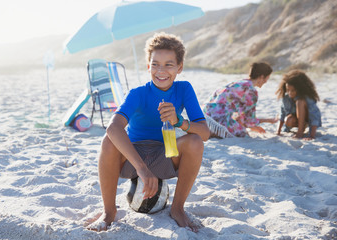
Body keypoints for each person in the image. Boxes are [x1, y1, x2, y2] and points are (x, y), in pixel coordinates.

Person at [86, 32, 210, 232]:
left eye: (169, 64)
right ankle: (109, 211)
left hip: (165, 156)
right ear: (148, 66)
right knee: (108, 140)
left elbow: (204, 133)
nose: (161, 70)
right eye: (155, 64)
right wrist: (142, 169)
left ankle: (177, 208)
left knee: (195, 141)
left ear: (179, 67)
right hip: (133, 160)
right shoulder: (138, 93)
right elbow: (113, 127)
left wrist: (179, 122)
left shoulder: (184, 89)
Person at [203, 62, 278, 138]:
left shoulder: (239, 82)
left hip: (206, 113)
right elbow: (249, 120)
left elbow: (241, 115)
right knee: (242, 134)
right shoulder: (251, 90)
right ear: (262, 77)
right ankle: (214, 132)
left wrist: (252, 127)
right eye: (267, 78)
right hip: (218, 117)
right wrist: (269, 120)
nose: (266, 81)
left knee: (241, 128)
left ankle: (211, 130)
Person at [275, 70, 321, 140]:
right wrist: (278, 131)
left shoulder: (307, 98)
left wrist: (312, 136)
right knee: (288, 120)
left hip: (308, 119)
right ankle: (301, 127)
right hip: (296, 120)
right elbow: (282, 114)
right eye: (288, 90)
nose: (290, 93)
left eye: (293, 90)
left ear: (300, 89)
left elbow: (314, 116)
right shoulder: (286, 98)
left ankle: (300, 132)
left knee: (300, 102)